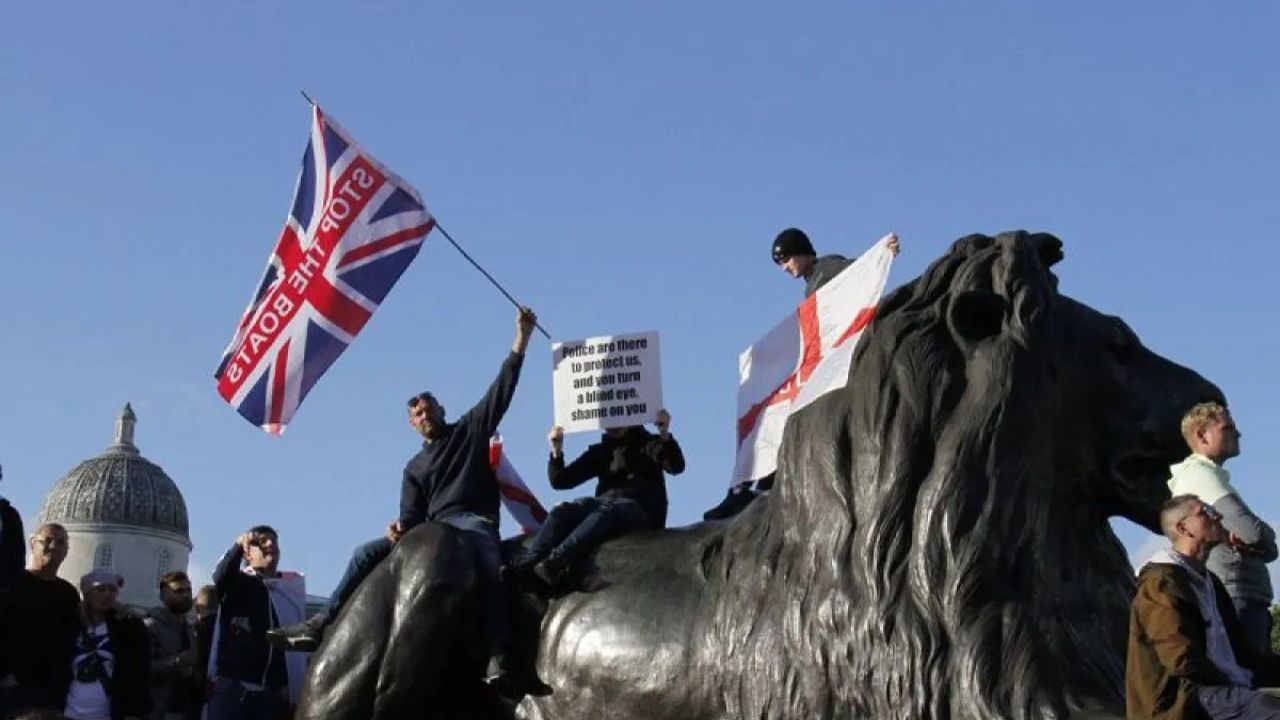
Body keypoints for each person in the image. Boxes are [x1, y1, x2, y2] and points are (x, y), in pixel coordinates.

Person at [268, 307, 539, 689]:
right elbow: (410, 516)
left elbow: (502, 389)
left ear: (441, 410)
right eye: (417, 414)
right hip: (430, 527)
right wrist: (398, 529)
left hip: (471, 521)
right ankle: (320, 623)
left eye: (428, 409)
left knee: (492, 567)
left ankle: (499, 653)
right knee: (363, 553)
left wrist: (521, 339)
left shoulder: (469, 431)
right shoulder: (413, 467)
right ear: (412, 424)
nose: (424, 416)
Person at [705, 228, 902, 521]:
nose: (785, 268)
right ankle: (754, 482)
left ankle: (756, 483)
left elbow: (859, 274)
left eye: (786, 260)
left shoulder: (829, 268)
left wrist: (883, 252)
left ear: (799, 252)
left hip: (834, 366)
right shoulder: (812, 283)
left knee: (780, 410)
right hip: (822, 362)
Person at [1127, 494, 1280, 719]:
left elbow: (1244, 655)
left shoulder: (1209, 581)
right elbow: (1181, 659)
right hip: (1187, 700)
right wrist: (1234, 685)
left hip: (1224, 691)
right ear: (1184, 528)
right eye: (1205, 512)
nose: (1217, 516)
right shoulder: (1160, 583)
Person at [503, 409, 685, 589]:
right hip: (605, 506)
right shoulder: (601, 451)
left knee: (609, 508)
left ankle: (555, 563)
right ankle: (527, 565)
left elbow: (676, 466)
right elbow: (561, 481)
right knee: (564, 509)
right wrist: (556, 451)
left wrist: (664, 434)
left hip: (639, 512)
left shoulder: (649, 444)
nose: (611, 425)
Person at [1167, 402, 1277, 657]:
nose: (1238, 434)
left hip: (1240, 593)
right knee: (1249, 679)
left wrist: (1265, 545)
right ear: (1201, 435)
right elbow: (1254, 532)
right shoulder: (1201, 476)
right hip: (1236, 594)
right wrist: (1267, 541)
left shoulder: (1204, 475)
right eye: (1227, 428)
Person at [207, 527, 307, 720]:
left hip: (270, 694)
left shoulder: (288, 591)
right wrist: (237, 545)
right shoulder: (238, 583)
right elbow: (220, 577)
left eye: (274, 541)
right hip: (234, 689)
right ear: (248, 553)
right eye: (262, 541)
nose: (270, 545)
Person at [0, 524, 81, 716]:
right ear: (32, 544)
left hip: (50, 693)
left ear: (66, 551)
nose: (53, 546)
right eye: (47, 540)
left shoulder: (68, 594)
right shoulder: (10, 585)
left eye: (60, 543)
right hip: (12, 689)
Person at [63, 570, 151, 720]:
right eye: (101, 589)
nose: (107, 594)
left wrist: (133, 712)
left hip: (109, 713)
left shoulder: (128, 627)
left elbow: (138, 671)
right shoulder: (70, 624)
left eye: (112, 590)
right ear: (87, 593)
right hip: (70, 711)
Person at [142, 572, 201, 720]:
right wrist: (177, 661)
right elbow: (142, 669)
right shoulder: (151, 627)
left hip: (183, 708)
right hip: (157, 709)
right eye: (178, 591)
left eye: (188, 590)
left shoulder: (189, 629)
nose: (186, 595)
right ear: (163, 596)